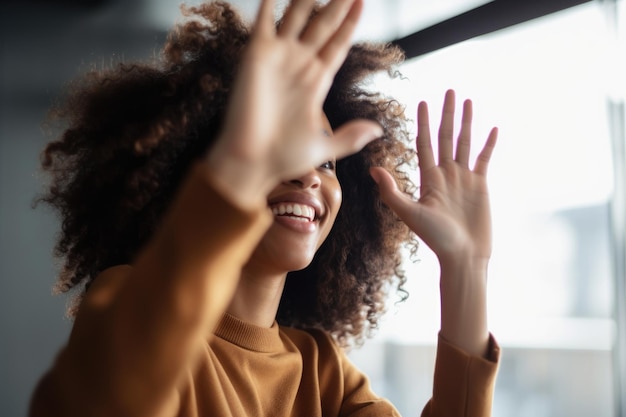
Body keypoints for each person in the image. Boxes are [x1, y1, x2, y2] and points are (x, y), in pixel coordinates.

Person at [29, 0, 500, 415]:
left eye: (327, 161)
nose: (309, 173)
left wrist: (465, 270)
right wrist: (235, 174)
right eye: (280, 146)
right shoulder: (134, 303)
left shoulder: (322, 373)